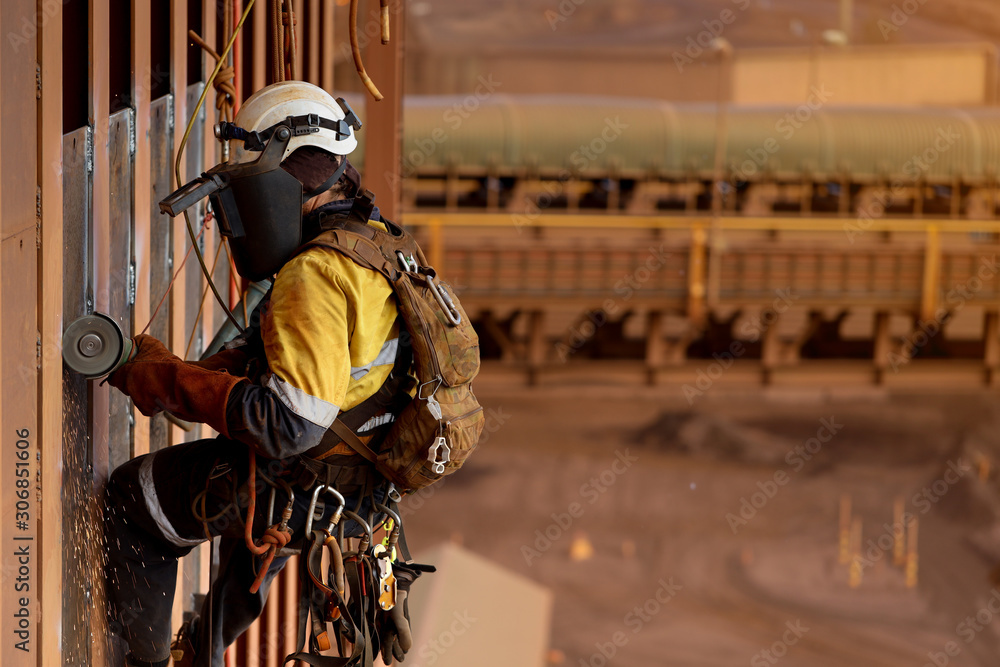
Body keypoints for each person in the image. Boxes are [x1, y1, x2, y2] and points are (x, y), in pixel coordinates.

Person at [104, 81, 416, 667]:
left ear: (282, 179)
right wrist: (189, 374)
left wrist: (171, 381)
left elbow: (287, 425)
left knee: (134, 500)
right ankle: (202, 653)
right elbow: (306, 362)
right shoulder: (375, 245)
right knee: (250, 527)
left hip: (304, 475)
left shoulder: (315, 273)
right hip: (356, 484)